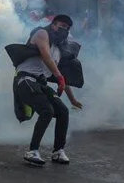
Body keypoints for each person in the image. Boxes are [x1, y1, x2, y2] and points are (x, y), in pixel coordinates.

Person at [13, 15, 81, 167]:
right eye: (61, 26)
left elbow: (61, 76)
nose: (64, 30)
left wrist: (72, 100)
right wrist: (59, 77)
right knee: (47, 111)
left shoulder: (58, 49)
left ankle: (58, 151)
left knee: (63, 111)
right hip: (25, 80)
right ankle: (32, 151)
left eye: (67, 28)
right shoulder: (42, 34)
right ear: (53, 25)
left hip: (40, 83)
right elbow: (45, 56)